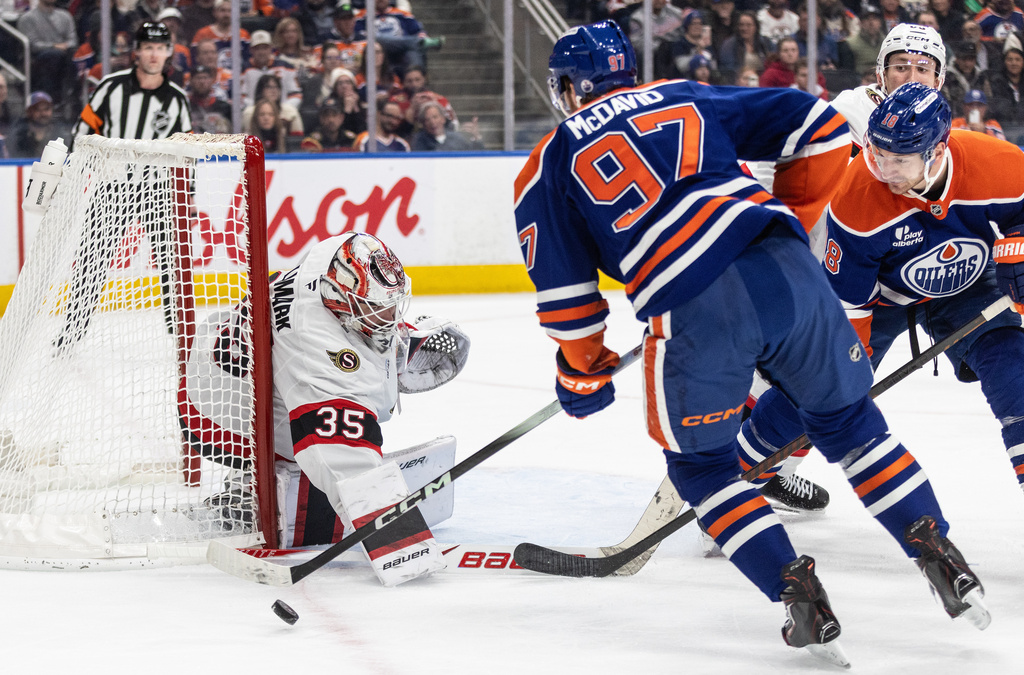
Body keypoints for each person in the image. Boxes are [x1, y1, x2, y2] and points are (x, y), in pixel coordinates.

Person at [515, 21, 989, 665]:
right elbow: (820, 127)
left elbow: (569, 304)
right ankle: (937, 549)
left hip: (694, 306)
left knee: (703, 468)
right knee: (850, 422)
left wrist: (581, 374)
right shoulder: (682, 93)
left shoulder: (547, 161)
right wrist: (787, 220)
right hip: (791, 272)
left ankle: (798, 593)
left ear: (569, 88)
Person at [748, 81, 1024, 566]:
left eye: (899, 158)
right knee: (816, 382)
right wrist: (842, 375)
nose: (884, 168)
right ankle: (735, 475)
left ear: (937, 150)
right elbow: (848, 310)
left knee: (1016, 375)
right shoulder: (857, 198)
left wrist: (1019, 244)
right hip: (879, 299)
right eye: (877, 152)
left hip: (967, 289)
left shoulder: (999, 164)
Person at [182, 231, 470, 586]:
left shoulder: (335, 257)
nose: (388, 315)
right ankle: (247, 496)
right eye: (376, 311)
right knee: (320, 443)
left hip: (228, 356)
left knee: (342, 384)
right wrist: (399, 543)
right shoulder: (314, 353)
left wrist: (379, 346)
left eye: (391, 306)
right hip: (219, 413)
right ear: (339, 300)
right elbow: (343, 459)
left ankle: (383, 364)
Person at [60, 22, 191, 350]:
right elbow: (83, 130)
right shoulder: (111, 87)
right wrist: (79, 171)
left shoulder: (177, 99)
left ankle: (181, 334)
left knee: (172, 262)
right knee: (91, 259)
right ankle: (72, 332)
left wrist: (187, 196)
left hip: (158, 192)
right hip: (113, 188)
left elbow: (188, 152)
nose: (154, 55)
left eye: (160, 48)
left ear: (168, 53)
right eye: (148, 47)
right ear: (136, 52)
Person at [831, 23, 947, 150]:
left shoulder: (941, 124)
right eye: (901, 68)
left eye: (922, 69)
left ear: (937, 82)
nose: (912, 79)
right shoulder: (850, 110)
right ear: (882, 75)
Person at [16, 0, 77, 113]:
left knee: (73, 58)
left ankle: (70, 99)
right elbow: (33, 45)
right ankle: (52, 100)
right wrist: (54, 46)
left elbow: (73, 41)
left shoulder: (65, 16)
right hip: (38, 60)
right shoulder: (27, 18)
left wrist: (63, 46)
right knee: (53, 56)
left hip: (64, 57)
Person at [353, 0, 443, 76]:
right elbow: (360, 35)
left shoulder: (401, 13)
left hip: (400, 49)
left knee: (412, 53)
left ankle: (416, 85)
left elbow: (418, 31)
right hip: (376, 45)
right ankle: (419, 42)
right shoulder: (362, 16)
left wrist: (421, 36)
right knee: (378, 38)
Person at [10, 91, 71, 158]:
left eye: (46, 109)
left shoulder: (61, 134)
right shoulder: (18, 135)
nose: (43, 113)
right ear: (28, 112)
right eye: (37, 109)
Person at [717, 11, 773, 83]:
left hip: (763, 81)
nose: (744, 28)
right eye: (741, 25)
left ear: (756, 27)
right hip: (740, 83)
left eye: (748, 25)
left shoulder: (765, 43)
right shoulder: (729, 45)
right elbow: (728, 71)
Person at [410, 100, 482, 151]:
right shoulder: (418, 141)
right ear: (423, 123)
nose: (432, 122)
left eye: (435, 117)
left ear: (443, 119)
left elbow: (474, 158)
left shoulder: (457, 138)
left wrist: (476, 137)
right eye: (427, 119)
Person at [943, 40, 991, 116]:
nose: (967, 64)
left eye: (971, 59)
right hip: (954, 119)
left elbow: (989, 101)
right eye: (964, 59)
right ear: (957, 58)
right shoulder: (946, 77)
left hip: (979, 120)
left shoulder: (981, 76)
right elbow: (945, 104)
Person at [188, 64, 233, 134]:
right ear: (191, 81)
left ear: (212, 81)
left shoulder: (225, 107)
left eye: (205, 78)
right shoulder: (186, 107)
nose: (202, 82)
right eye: (198, 78)